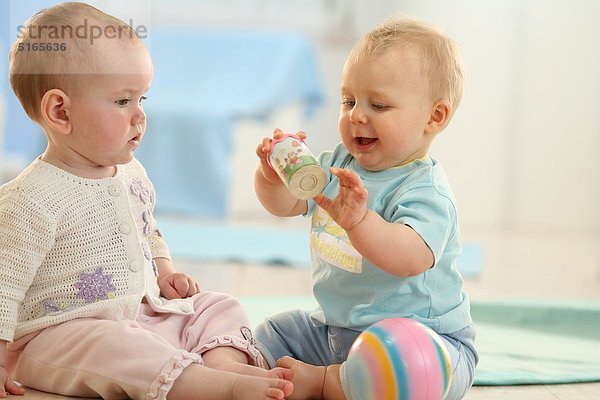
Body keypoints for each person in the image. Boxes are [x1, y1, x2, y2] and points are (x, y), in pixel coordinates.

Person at [0, 3, 293, 400]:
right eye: (123, 101)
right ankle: (212, 387)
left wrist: (165, 270)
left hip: (141, 310)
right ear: (60, 111)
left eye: (143, 99)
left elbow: (146, 227)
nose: (139, 116)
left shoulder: (132, 171)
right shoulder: (29, 200)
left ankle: (223, 368)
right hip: (60, 336)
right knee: (115, 348)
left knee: (216, 305)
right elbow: (4, 285)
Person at [254, 15, 478, 400]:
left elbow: (408, 258)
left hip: (425, 344)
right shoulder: (336, 165)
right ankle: (302, 374)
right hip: (334, 332)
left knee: (400, 373)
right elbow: (288, 204)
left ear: (434, 117)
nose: (357, 115)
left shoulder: (426, 191)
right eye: (349, 100)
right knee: (271, 334)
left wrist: (359, 221)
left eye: (378, 104)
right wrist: (273, 178)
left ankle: (328, 383)